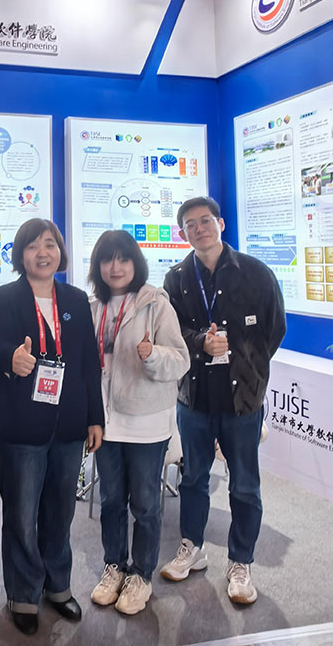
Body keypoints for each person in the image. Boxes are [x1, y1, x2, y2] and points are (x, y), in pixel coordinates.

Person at [160, 196, 286, 604]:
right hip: (194, 397)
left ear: (220, 223)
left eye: (205, 221)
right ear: (183, 233)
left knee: (244, 484)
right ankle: (192, 547)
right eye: (190, 225)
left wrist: (248, 368)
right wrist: (201, 343)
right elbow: (172, 332)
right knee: (193, 478)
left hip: (242, 400)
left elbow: (275, 330)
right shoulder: (176, 278)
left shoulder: (255, 273)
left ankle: (240, 561)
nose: (199, 229)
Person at [0, 218, 104, 635]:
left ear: (60, 252)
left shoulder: (74, 298)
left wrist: (95, 417)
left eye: (50, 244)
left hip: (69, 424)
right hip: (22, 425)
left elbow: (89, 363)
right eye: (33, 245)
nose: (43, 253)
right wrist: (10, 358)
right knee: (21, 515)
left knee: (61, 511)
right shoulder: (3, 297)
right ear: (21, 254)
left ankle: (58, 586)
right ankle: (23, 594)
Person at [87, 230, 189, 615]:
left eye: (124, 258)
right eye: (107, 259)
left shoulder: (155, 304)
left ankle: (141, 575)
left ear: (136, 263)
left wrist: (152, 354)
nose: (115, 267)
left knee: (145, 504)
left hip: (146, 422)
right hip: (105, 421)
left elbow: (180, 359)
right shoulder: (92, 307)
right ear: (98, 266)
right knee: (111, 501)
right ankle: (114, 566)